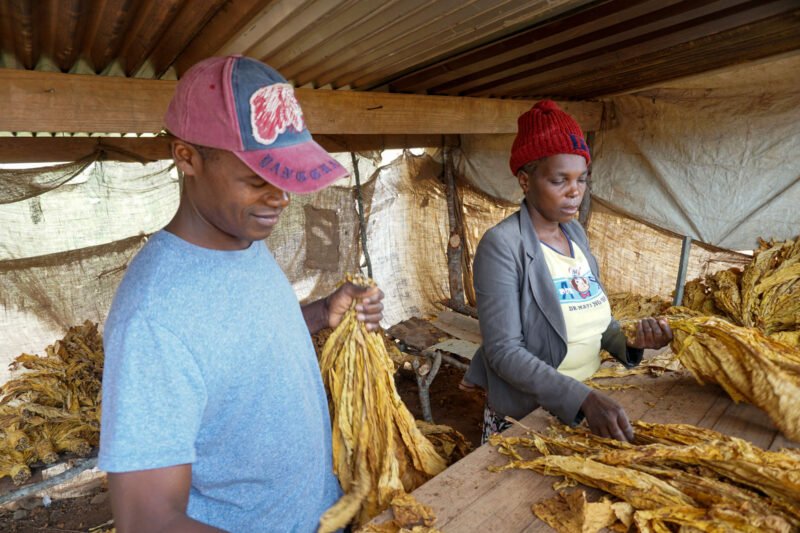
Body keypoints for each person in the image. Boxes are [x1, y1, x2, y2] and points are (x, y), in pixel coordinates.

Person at [98, 55, 384, 532]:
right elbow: (147, 520)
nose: (281, 198)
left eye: (286, 177)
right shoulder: (152, 321)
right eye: (257, 180)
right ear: (186, 157)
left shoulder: (239, 236)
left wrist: (318, 314)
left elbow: (228, 340)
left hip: (323, 514)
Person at [463, 100, 672, 444]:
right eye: (560, 180)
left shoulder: (575, 234)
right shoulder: (502, 245)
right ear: (525, 180)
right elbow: (503, 351)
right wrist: (582, 399)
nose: (575, 191)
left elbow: (595, 321)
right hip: (530, 417)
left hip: (586, 406)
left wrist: (632, 342)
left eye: (582, 179)